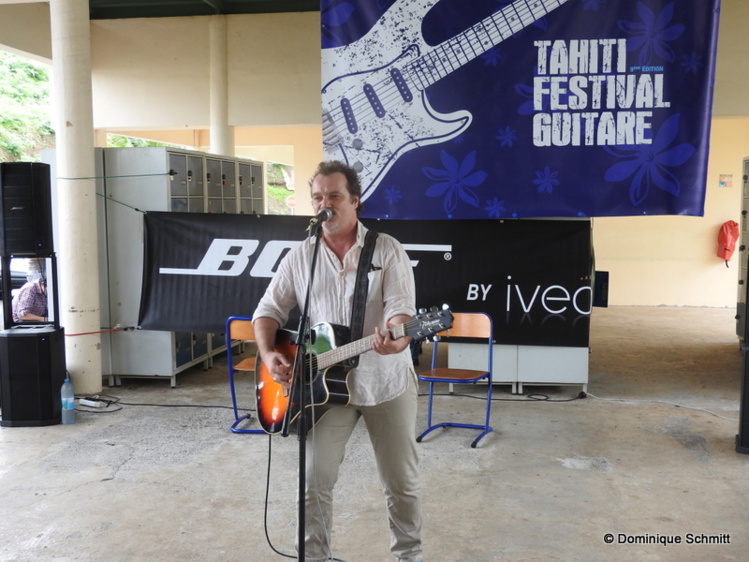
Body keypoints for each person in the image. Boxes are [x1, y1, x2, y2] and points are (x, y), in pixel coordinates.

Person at [253, 160, 423, 562]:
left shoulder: (386, 248)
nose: (324, 205)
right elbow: (267, 310)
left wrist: (395, 338)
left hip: (386, 382)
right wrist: (269, 352)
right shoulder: (302, 255)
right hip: (323, 388)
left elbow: (401, 309)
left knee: (402, 483)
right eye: (317, 197)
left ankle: (408, 557)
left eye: (333, 196)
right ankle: (313, 557)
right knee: (312, 480)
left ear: (355, 201)